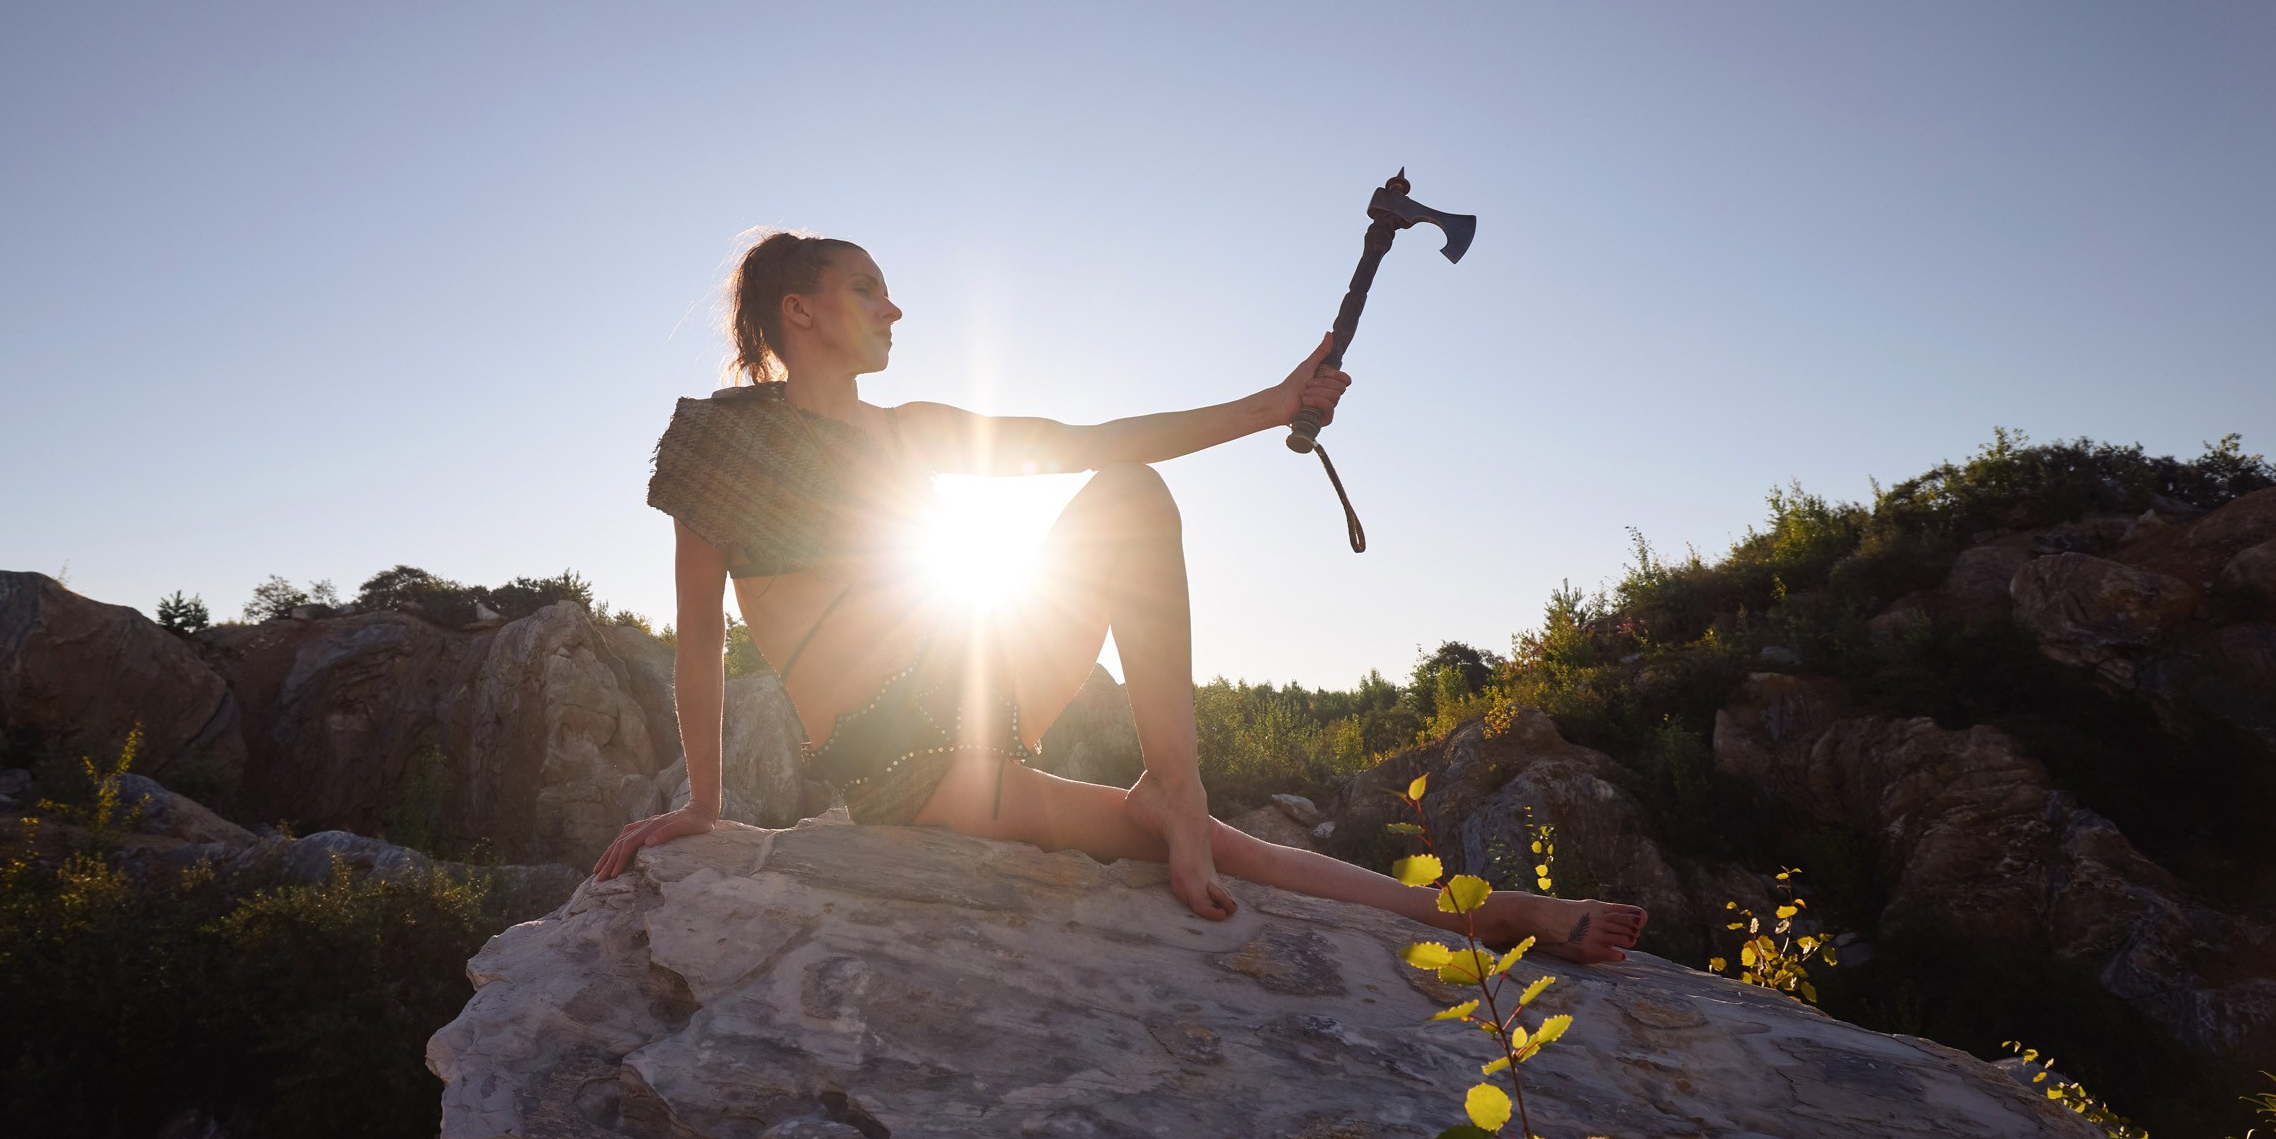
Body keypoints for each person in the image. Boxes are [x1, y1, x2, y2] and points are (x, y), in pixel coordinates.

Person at [593, 231, 1646, 962]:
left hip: (975, 689)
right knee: (1227, 852)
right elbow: (696, 642)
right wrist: (703, 806)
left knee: (1127, 494)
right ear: (802, 311)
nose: (895, 307)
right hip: (895, 759)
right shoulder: (723, 449)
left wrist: (1273, 403)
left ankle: (1172, 791)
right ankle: (1485, 915)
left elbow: (1087, 445)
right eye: (869, 289)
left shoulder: (908, 429)